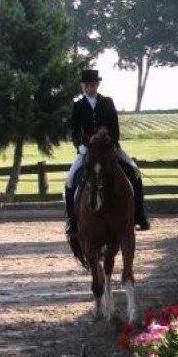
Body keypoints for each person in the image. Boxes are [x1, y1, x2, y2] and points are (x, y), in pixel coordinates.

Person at [65, 69, 150, 235]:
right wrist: (80, 146)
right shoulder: (78, 106)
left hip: (109, 148)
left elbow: (115, 127)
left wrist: (112, 142)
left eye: (93, 85)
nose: (90, 88)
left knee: (135, 172)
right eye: (87, 85)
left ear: (97, 85)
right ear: (83, 86)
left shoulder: (107, 102)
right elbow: (74, 131)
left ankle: (140, 215)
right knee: (69, 180)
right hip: (88, 150)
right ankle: (72, 221)